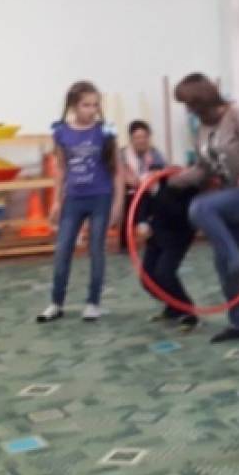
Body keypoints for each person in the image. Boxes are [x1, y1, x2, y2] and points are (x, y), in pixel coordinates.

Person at [169, 73, 239, 343]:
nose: (188, 110)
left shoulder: (238, 116)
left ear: (202, 100)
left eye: (189, 104)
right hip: (232, 196)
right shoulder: (201, 129)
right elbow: (203, 169)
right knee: (221, 262)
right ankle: (238, 325)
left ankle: (236, 259)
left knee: (199, 208)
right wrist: (175, 179)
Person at [37, 80, 124, 323]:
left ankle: (93, 302)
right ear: (74, 106)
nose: (92, 110)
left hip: (100, 197)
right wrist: (56, 201)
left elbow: (117, 170)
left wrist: (118, 204)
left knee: (96, 249)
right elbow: (61, 169)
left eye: (95, 105)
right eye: (86, 105)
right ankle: (56, 303)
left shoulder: (105, 131)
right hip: (74, 199)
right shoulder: (61, 132)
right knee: (63, 249)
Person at [138, 179, 200, 331]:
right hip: (156, 234)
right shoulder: (156, 182)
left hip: (178, 235)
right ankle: (173, 307)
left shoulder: (186, 184)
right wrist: (142, 221)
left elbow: (179, 212)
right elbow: (143, 199)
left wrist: (158, 193)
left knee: (164, 273)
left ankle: (188, 310)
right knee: (147, 279)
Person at [119, 120, 166, 251]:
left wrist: (147, 180)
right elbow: (122, 176)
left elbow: (159, 173)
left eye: (144, 137)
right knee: (135, 196)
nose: (141, 141)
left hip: (149, 191)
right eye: (137, 137)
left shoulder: (155, 154)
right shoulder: (122, 154)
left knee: (158, 196)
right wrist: (134, 180)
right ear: (131, 139)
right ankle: (140, 226)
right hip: (128, 193)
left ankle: (147, 228)